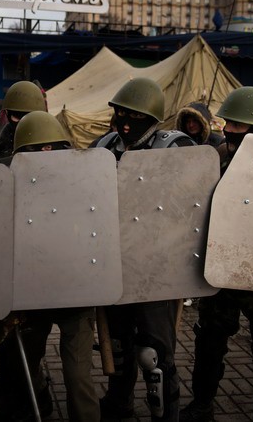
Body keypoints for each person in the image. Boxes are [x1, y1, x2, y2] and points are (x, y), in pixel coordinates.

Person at [179, 87, 253, 422]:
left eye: (238, 126)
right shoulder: (218, 157)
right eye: (228, 123)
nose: (228, 130)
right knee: (209, 339)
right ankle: (202, 405)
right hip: (222, 268)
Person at [92, 77, 196, 422]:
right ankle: (118, 407)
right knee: (118, 351)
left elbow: (190, 207)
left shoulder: (174, 147)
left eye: (133, 115)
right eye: (119, 113)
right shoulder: (105, 145)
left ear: (151, 118)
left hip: (157, 270)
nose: (124, 122)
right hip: (114, 265)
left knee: (153, 357)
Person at [2, 111, 101, 422]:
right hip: (32, 296)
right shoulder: (9, 188)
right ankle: (34, 406)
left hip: (76, 292)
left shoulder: (83, 186)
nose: (45, 156)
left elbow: (98, 237)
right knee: (24, 369)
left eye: (51, 148)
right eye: (36, 150)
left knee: (77, 373)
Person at [0, 80, 47, 162]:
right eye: (17, 117)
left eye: (28, 118)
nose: (22, 123)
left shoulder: (50, 141)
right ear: (7, 113)